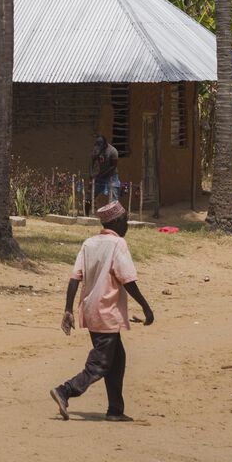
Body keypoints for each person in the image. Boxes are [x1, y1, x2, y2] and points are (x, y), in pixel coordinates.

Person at [51, 200, 155, 422]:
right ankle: (65, 390)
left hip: (90, 310)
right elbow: (128, 279)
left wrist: (68, 309)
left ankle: (115, 410)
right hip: (106, 311)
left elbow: (74, 278)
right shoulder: (118, 245)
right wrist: (146, 307)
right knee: (100, 363)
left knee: (117, 359)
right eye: (125, 220)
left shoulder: (89, 243)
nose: (127, 224)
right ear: (116, 222)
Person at [90, 135, 121, 204]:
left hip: (112, 176)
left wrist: (101, 175)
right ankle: (86, 213)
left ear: (105, 144)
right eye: (96, 144)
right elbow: (92, 160)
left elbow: (113, 166)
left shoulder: (113, 151)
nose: (97, 146)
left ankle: (114, 214)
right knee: (91, 194)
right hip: (101, 175)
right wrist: (91, 172)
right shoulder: (97, 149)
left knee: (113, 198)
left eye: (99, 144)